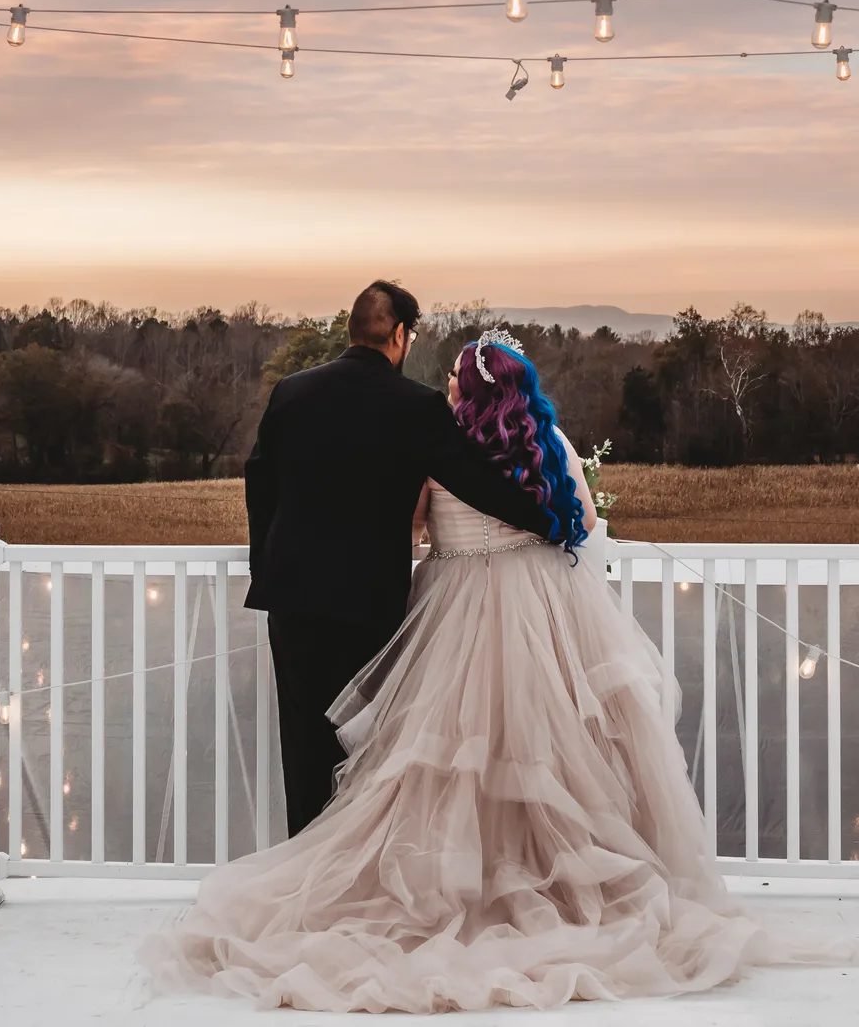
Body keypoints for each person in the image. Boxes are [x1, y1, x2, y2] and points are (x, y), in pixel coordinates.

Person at [144, 328, 820, 1011]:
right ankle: (553, 879)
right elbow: (581, 521)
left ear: (466, 388)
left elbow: (409, 530)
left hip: (457, 609)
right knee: (553, 748)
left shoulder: (442, 450)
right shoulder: (551, 448)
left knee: (446, 758)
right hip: (542, 608)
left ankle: (458, 880)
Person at [241, 280, 553, 834]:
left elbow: (259, 482)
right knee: (365, 751)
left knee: (303, 747)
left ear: (352, 329)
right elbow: (473, 480)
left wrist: (265, 568)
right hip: (369, 604)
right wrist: (552, 519)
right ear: (402, 335)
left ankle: (303, 877)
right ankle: (353, 875)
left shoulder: (291, 390)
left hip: (292, 601)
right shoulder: (416, 405)